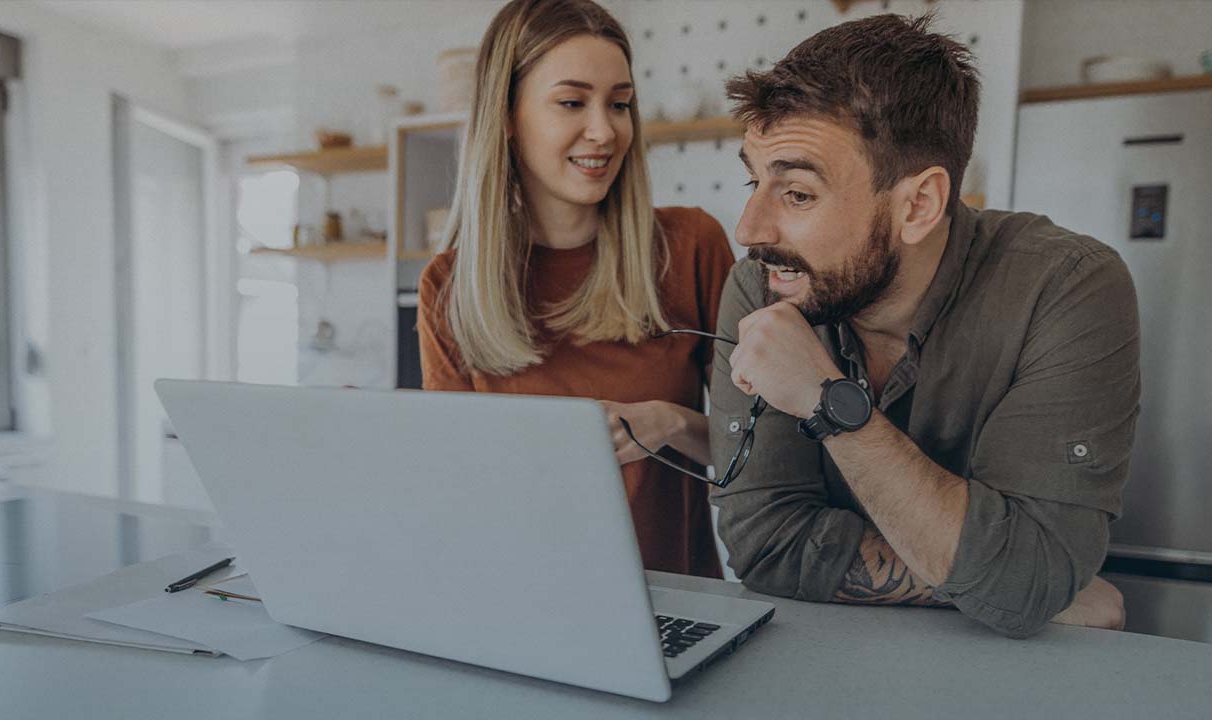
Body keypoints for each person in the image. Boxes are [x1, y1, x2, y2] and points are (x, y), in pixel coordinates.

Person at [708, 13, 1139, 637]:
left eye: (797, 194)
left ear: (918, 204)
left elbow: (1033, 575)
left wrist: (828, 402)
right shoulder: (766, 285)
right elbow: (765, 545)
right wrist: (999, 582)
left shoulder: (1066, 287)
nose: (749, 230)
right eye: (754, 180)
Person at [417, 0, 735, 578]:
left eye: (619, 104)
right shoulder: (447, 286)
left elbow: (767, 456)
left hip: (675, 607)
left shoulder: (692, 246)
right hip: (518, 601)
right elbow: (453, 489)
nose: (604, 129)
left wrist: (673, 422)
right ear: (508, 117)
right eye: (572, 102)